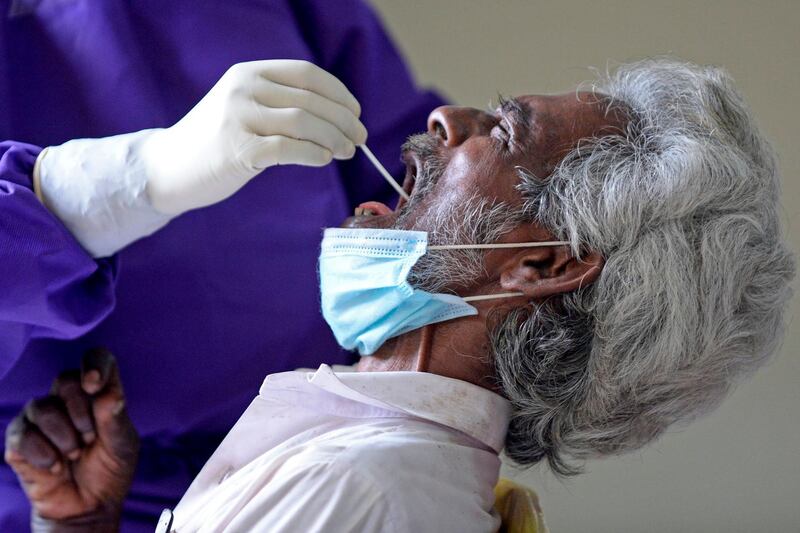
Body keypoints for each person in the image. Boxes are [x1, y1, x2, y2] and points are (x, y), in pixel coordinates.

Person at [5, 58, 794, 532]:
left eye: (504, 130)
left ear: (547, 264)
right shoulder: (376, 474)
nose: (446, 117)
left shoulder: (360, 491)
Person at [0, 0, 446, 530]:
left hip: (333, 431)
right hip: (69, 472)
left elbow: (408, 178)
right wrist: (127, 180)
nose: (456, 125)